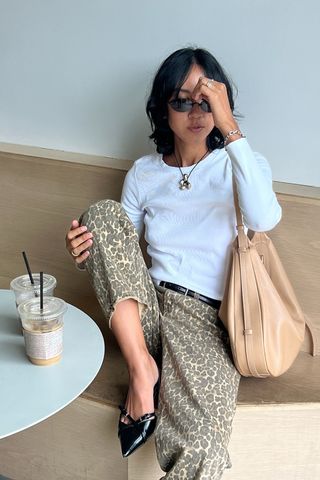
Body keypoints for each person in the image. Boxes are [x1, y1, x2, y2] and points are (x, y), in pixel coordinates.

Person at [65, 47, 282, 479]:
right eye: (182, 100)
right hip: (144, 312)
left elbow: (264, 218)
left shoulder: (240, 165)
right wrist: (85, 250)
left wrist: (231, 128)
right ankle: (142, 368)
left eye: (207, 100)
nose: (196, 111)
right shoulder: (144, 173)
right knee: (102, 216)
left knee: (203, 448)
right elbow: (117, 249)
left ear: (222, 105)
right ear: (163, 109)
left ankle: (148, 374)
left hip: (206, 320)